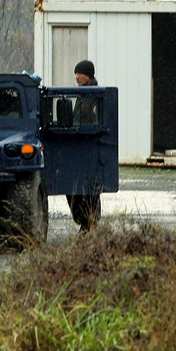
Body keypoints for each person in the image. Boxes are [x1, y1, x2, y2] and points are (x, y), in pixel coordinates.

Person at [67, 60, 102, 231]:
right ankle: (87, 223)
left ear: (88, 75)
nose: (76, 77)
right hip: (82, 145)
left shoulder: (93, 95)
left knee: (87, 190)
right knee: (79, 189)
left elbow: (86, 119)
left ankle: (89, 224)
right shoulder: (84, 94)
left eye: (79, 74)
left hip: (86, 145)